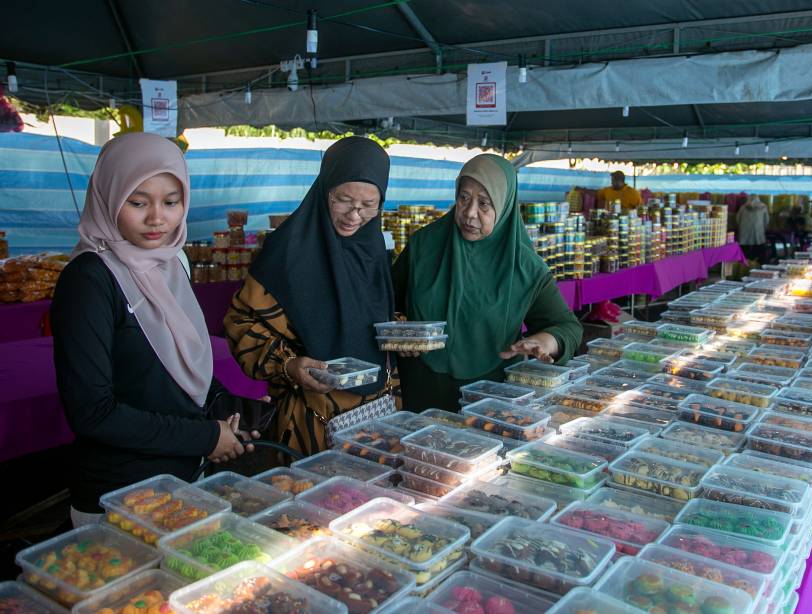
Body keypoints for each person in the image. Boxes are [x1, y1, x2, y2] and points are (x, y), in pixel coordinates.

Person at [51, 133, 254, 527]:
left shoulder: (172, 263)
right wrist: (205, 438)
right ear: (108, 197)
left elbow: (178, 369)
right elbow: (94, 413)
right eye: (138, 202)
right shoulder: (89, 279)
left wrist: (225, 413)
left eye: (171, 202)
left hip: (186, 482)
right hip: (122, 499)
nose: (157, 218)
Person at [224, 137, 396, 455]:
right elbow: (242, 323)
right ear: (323, 190)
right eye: (343, 200)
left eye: (369, 205)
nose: (354, 215)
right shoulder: (286, 252)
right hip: (311, 418)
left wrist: (398, 334)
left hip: (375, 412)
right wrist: (287, 365)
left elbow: (377, 316)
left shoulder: (373, 248)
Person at [392, 154, 583, 411]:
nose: (470, 213)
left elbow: (568, 327)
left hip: (491, 399)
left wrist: (544, 341)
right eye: (463, 198)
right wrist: (399, 328)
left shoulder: (525, 267)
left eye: (484, 204)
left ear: (504, 208)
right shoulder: (424, 246)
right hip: (423, 392)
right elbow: (386, 303)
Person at [736, 196, 770, 264]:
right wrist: (764, 228)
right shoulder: (763, 207)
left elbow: (737, 219)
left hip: (745, 234)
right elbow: (766, 220)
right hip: (758, 232)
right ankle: (760, 264)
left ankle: (744, 266)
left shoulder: (743, 207)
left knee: (745, 251)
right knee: (759, 249)